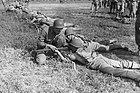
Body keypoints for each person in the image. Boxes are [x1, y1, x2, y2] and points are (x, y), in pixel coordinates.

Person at [63, 30, 140, 85]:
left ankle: (137, 77)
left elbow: (65, 59)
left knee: (113, 71)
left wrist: (58, 52)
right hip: (99, 57)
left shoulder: (75, 54)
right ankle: (136, 65)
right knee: (118, 63)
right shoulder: (86, 46)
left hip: (97, 63)